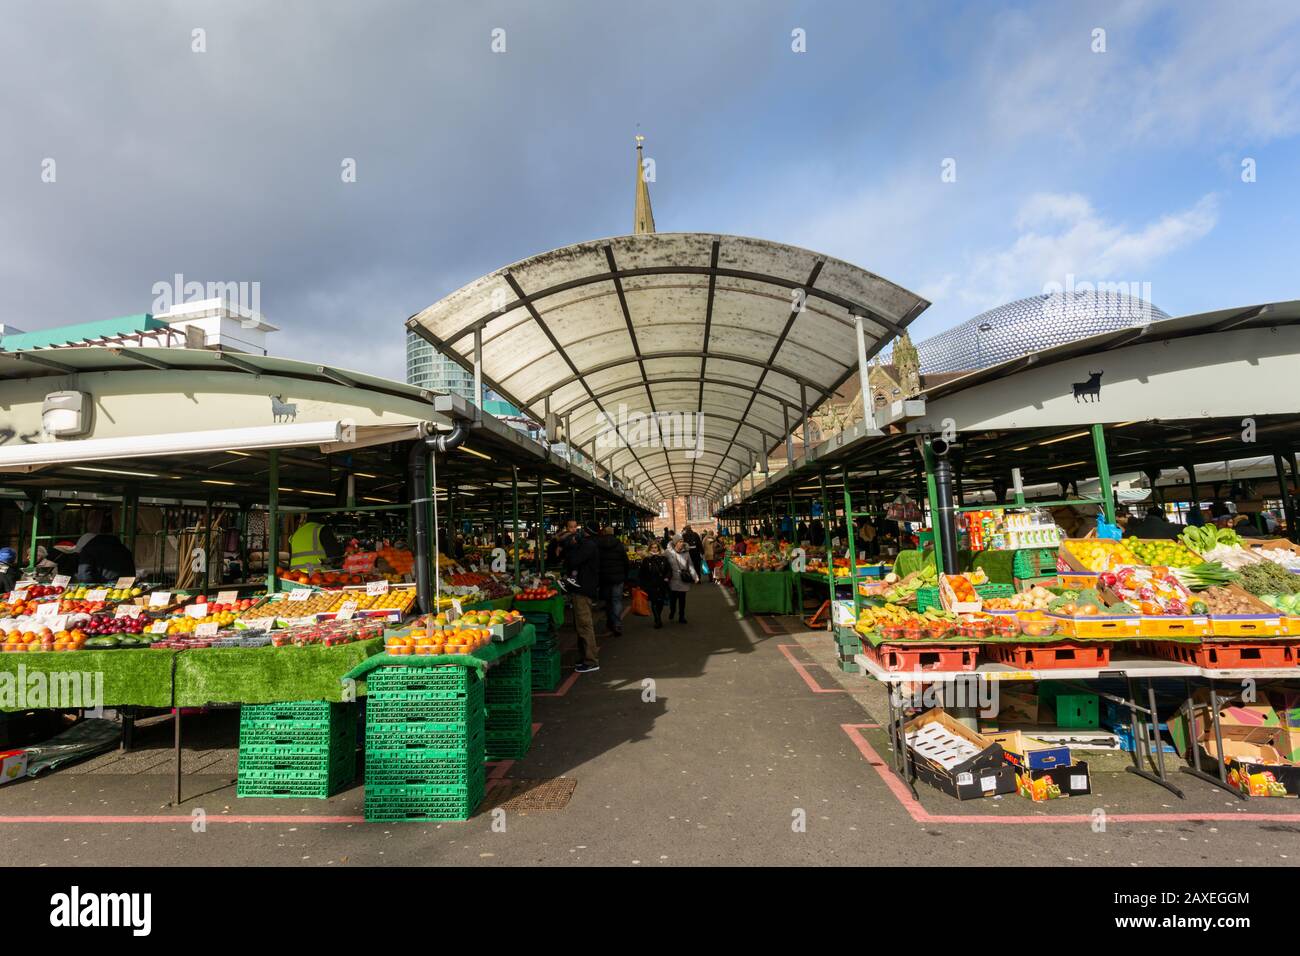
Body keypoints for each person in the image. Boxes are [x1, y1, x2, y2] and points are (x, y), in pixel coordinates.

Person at [559, 519, 601, 673]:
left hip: (583, 589)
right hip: (583, 587)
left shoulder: (589, 545)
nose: (578, 530)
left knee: (584, 624)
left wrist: (570, 546)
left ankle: (591, 661)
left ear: (587, 530)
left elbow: (573, 560)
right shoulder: (589, 544)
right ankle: (585, 657)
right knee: (581, 625)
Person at [55, 533, 135, 583]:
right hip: (128, 581)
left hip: (108, 584)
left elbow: (84, 576)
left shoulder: (88, 550)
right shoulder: (121, 547)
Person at [595, 525, 629, 637]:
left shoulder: (598, 544)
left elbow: (597, 562)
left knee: (608, 601)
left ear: (604, 533)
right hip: (618, 577)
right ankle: (617, 624)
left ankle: (610, 623)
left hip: (604, 578)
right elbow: (625, 561)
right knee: (617, 600)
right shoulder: (619, 544)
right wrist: (625, 575)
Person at [637, 539, 672, 628]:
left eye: (656, 548)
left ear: (659, 549)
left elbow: (669, 570)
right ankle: (657, 619)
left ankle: (658, 616)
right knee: (654, 602)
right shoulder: (646, 560)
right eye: (652, 548)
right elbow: (642, 573)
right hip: (651, 584)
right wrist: (641, 585)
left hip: (662, 584)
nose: (654, 549)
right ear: (649, 549)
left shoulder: (664, 558)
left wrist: (667, 577)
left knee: (660, 602)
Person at [666, 535, 699, 624]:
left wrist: (695, 576)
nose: (681, 543)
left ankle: (681, 616)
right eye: (679, 541)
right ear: (675, 543)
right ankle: (672, 611)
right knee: (672, 600)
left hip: (683, 579)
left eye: (682, 541)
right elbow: (663, 563)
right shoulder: (668, 552)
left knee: (682, 599)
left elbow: (690, 565)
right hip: (672, 579)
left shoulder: (686, 552)